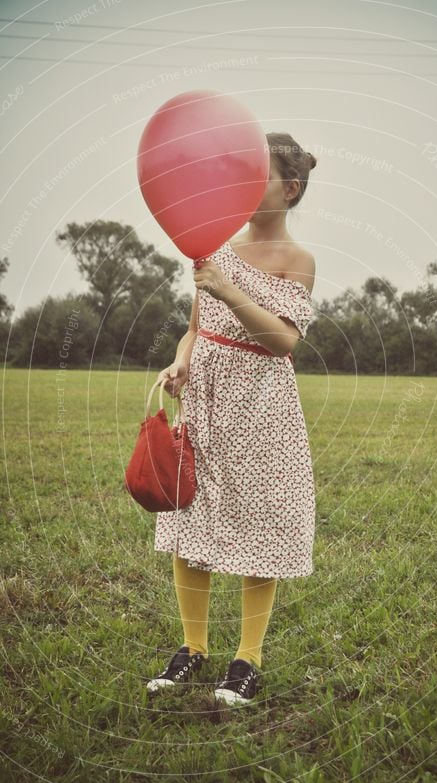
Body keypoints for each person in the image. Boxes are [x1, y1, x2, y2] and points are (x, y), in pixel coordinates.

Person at [146, 132, 318, 706]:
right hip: (207, 401)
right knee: (190, 514)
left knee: (256, 523)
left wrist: (226, 286)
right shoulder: (215, 245)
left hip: (261, 407)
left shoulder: (298, 260)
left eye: (258, 175)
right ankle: (192, 649)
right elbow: (197, 325)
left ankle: (248, 659)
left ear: (289, 189)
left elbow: (282, 339)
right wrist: (180, 362)